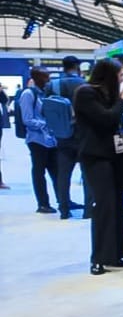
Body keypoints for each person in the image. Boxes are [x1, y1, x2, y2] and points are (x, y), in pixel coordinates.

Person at [75, 59, 123, 275]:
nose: (122, 78)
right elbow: (105, 119)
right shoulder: (86, 93)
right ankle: (98, 257)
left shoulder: (109, 94)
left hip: (116, 155)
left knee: (118, 204)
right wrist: (121, 101)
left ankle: (114, 254)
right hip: (96, 157)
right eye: (119, 74)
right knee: (104, 205)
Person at [47, 55, 87, 219]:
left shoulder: (52, 85)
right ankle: (88, 210)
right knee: (87, 174)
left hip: (62, 135)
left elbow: (46, 111)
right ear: (77, 66)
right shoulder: (85, 85)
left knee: (63, 175)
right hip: (84, 135)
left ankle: (64, 209)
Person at [20, 69, 61, 213]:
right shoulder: (28, 94)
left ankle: (63, 201)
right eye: (45, 77)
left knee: (56, 172)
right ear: (36, 78)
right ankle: (43, 203)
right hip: (36, 139)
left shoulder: (45, 93)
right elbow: (27, 119)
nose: (48, 80)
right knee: (39, 172)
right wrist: (46, 124)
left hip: (51, 139)